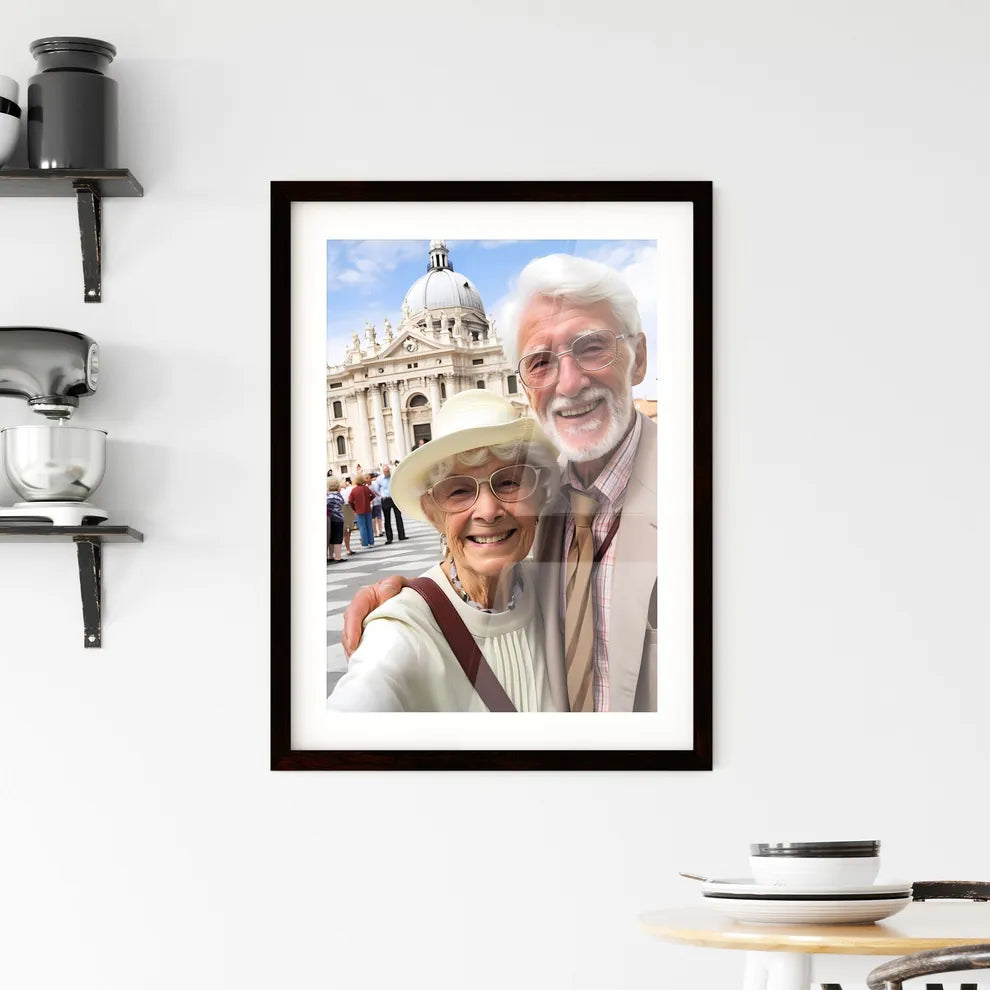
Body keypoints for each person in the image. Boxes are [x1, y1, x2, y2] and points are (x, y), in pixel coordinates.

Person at [342, 253, 657, 712]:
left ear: (639, 358)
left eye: (592, 347)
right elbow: (364, 697)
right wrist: (422, 604)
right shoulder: (548, 505)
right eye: (541, 362)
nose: (569, 382)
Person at [328, 391, 560, 711]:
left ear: (540, 494)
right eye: (460, 491)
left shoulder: (560, 588)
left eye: (509, 482)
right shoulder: (402, 630)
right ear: (433, 512)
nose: (488, 511)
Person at [371, 463, 407, 543]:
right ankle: (389, 538)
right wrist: (381, 495)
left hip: (394, 498)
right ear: (383, 471)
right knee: (387, 519)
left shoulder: (393, 477)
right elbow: (376, 489)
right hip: (385, 499)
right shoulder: (379, 479)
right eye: (385, 471)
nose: (387, 472)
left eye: (388, 471)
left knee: (398, 517)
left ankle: (402, 535)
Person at [347, 473, 376, 548]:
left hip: (359, 510)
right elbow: (373, 495)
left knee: (362, 527)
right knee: (369, 526)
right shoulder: (366, 488)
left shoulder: (354, 490)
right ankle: (371, 542)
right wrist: (368, 501)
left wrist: (354, 508)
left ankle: (365, 543)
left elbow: (350, 501)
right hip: (368, 509)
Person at [326, 477, 345, 564]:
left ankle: (330, 556)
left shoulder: (327, 496)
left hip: (329, 518)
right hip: (338, 519)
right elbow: (342, 503)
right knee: (338, 538)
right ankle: (338, 557)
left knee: (330, 538)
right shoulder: (338, 495)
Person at [339, 476, 356, 556]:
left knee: (348, 531)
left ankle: (348, 548)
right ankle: (347, 549)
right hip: (344, 509)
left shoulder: (348, 489)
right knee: (346, 531)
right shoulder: (341, 491)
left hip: (348, 508)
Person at [369, 472, 385, 538]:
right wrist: (381, 496)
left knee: (373, 518)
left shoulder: (367, 486)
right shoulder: (374, 484)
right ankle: (380, 531)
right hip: (377, 501)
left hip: (371, 503)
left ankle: (375, 532)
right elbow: (377, 492)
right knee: (379, 517)